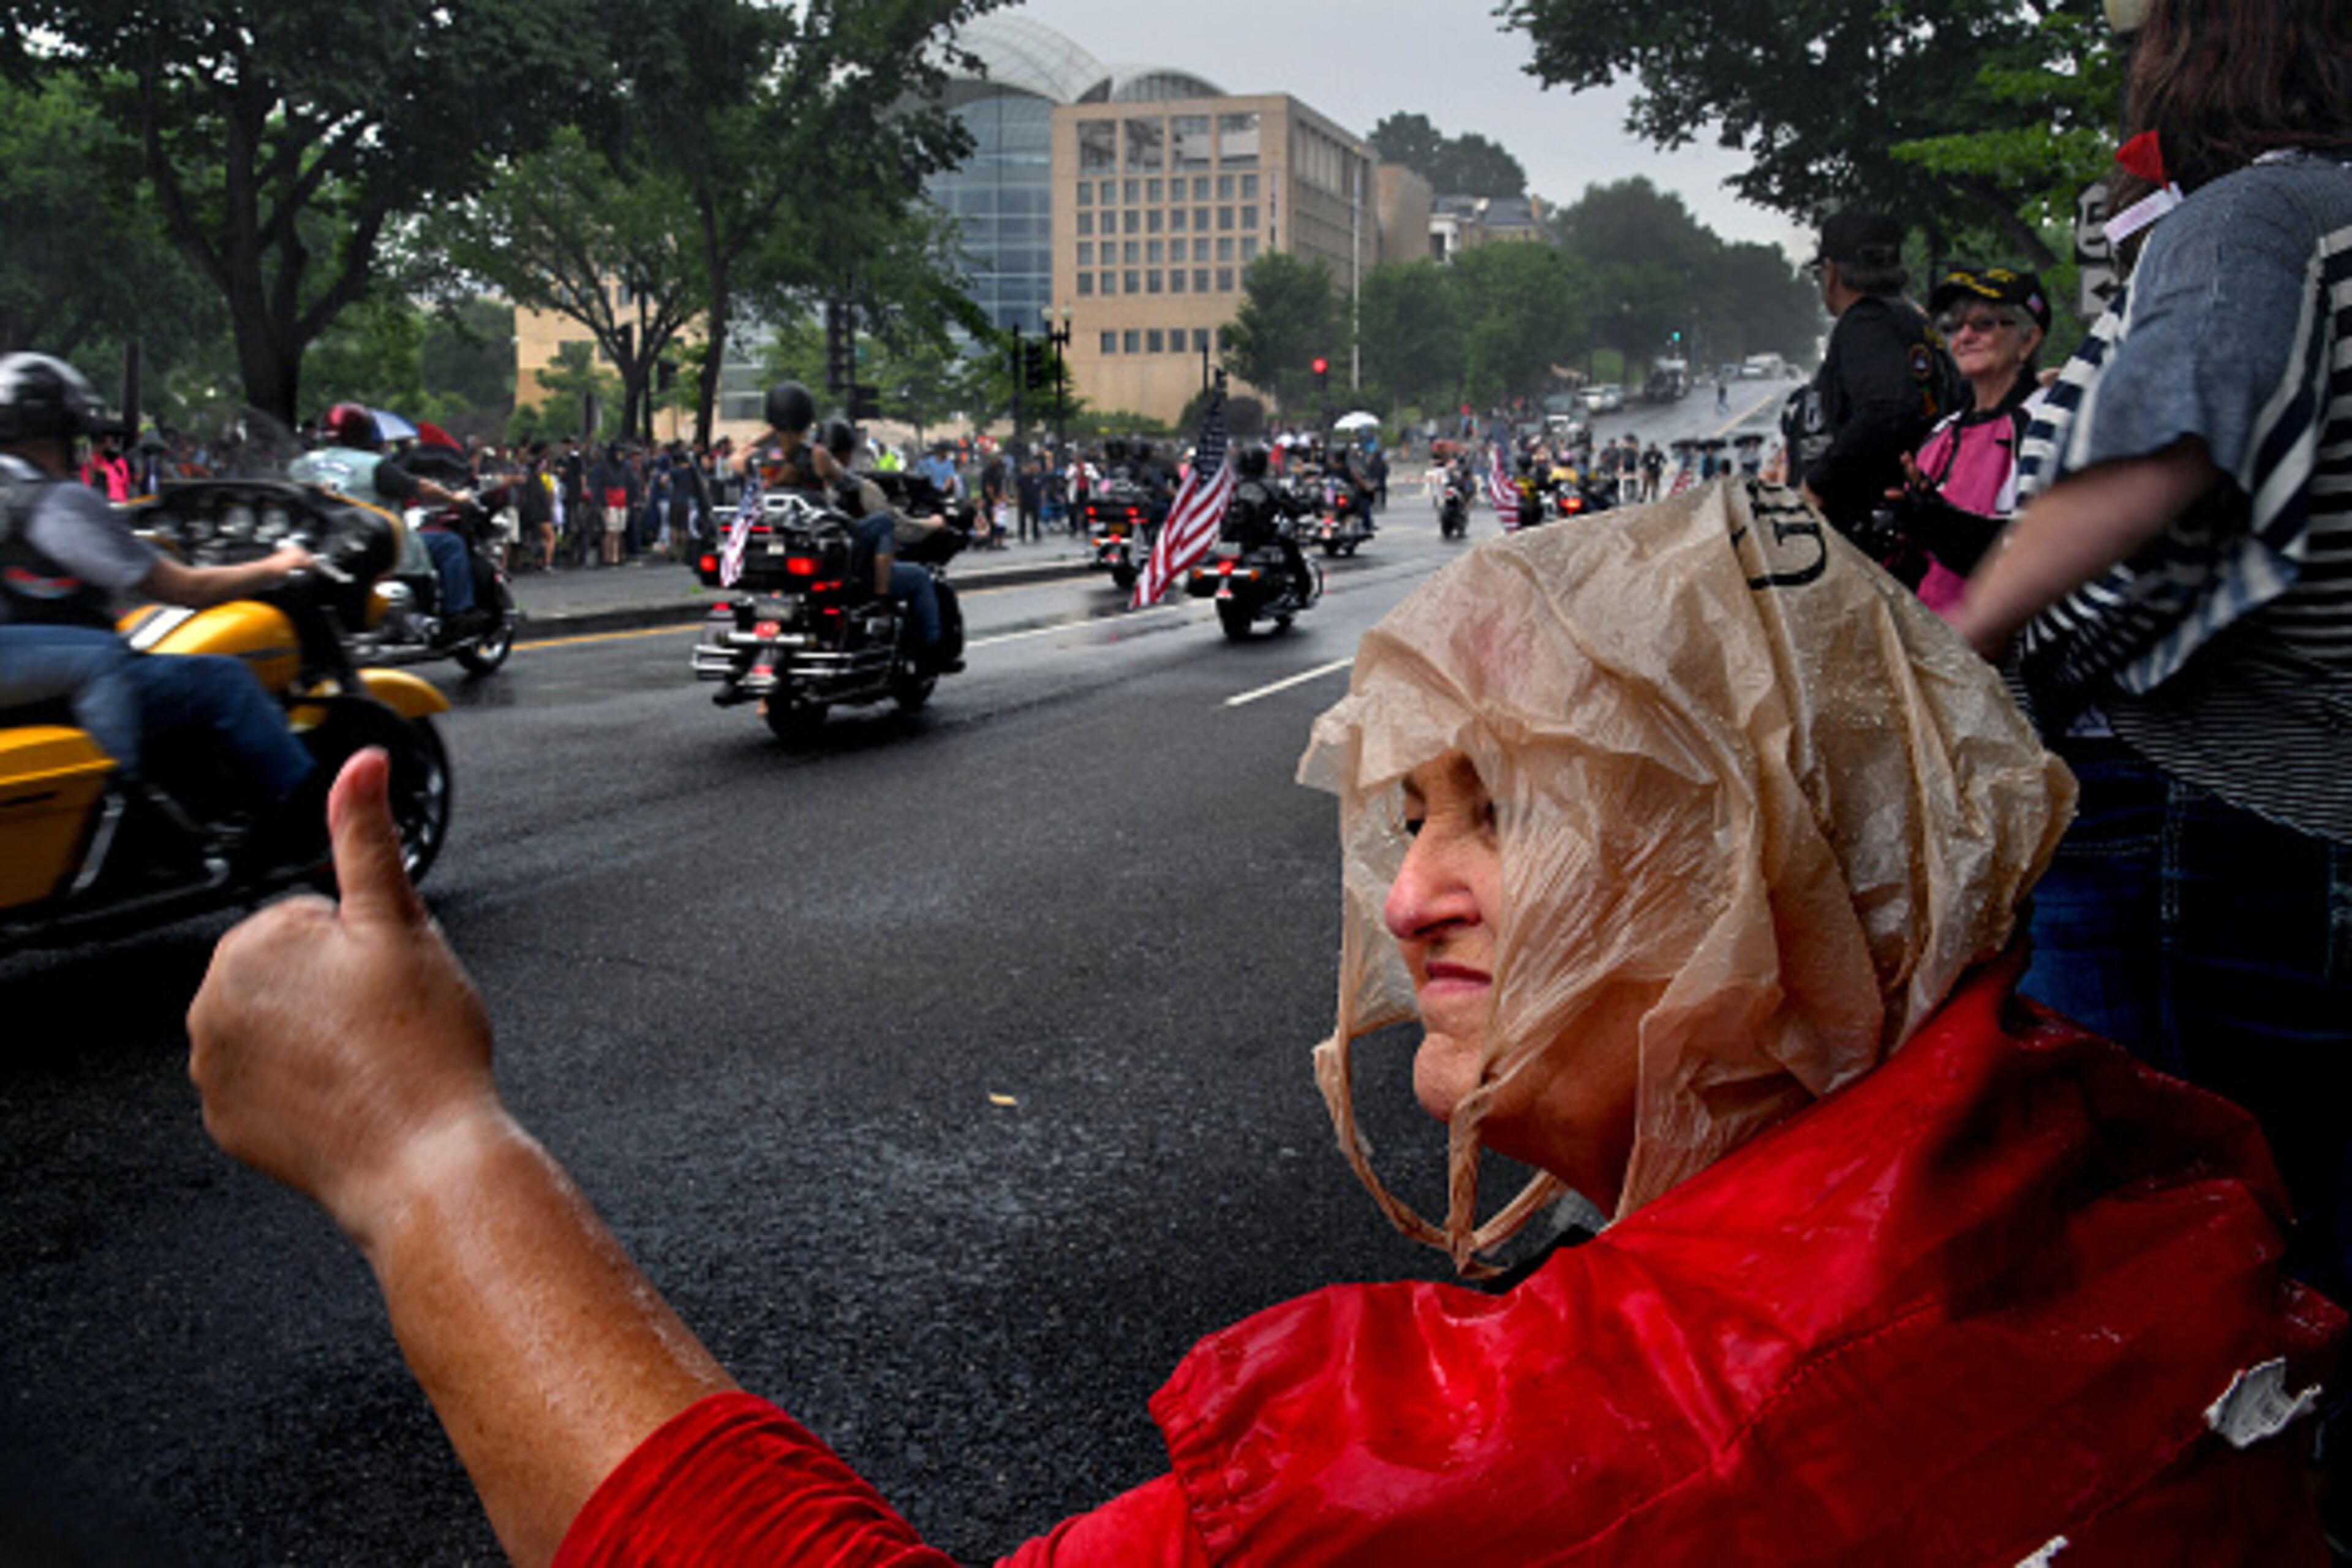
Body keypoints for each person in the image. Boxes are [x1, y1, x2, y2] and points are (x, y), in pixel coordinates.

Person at [185, 483, 2341, 1564]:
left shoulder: (1581, 1452)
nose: (1408, 892)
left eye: (1512, 810)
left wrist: (426, 1158)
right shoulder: (2135, 1154)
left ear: (1801, 860)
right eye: (1410, 814)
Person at [1951, 0, 2352, 1313]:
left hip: (2265, 824)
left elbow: (2163, 459)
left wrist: (1969, 645)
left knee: (2255, 1217)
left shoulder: (2255, 218)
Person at [1, 352, 320, 848]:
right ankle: (313, 828)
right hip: (51, 677)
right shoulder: (53, 500)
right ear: (55, 430)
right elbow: (183, 590)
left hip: (30, 680)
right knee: (226, 679)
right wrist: (275, 566)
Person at [1880, 266, 2051, 615]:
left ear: (2029, 339)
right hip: (1934, 646)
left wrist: (1934, 522)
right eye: (1954, 327)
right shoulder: (1942, 432)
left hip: (2004, 654)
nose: (1965, 336)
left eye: (1985, 324)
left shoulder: (2045, 424)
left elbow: (2038, 554)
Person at [1783, 209, 1962, 539]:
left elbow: (1887, 408)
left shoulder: (1865, 323)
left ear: (1832, 272)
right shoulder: (1912, 317)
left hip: (1874, 527)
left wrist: (1817, 483)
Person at [292, 404, 480, 624]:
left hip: (319, 549)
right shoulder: (373, 466)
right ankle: (457, 615)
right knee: (450, 544)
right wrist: (455, 498)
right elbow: (421, 489)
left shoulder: (301, 464)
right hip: (376, 548)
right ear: (364, 432)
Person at [815, 419, 959, 674]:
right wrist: (934, 524)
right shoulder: (858, 488)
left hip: (814, 574)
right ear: (847, 453)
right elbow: (902, 529)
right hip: (855, 574)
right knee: (920, 577)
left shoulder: (802, 487)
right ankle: (932, 652)